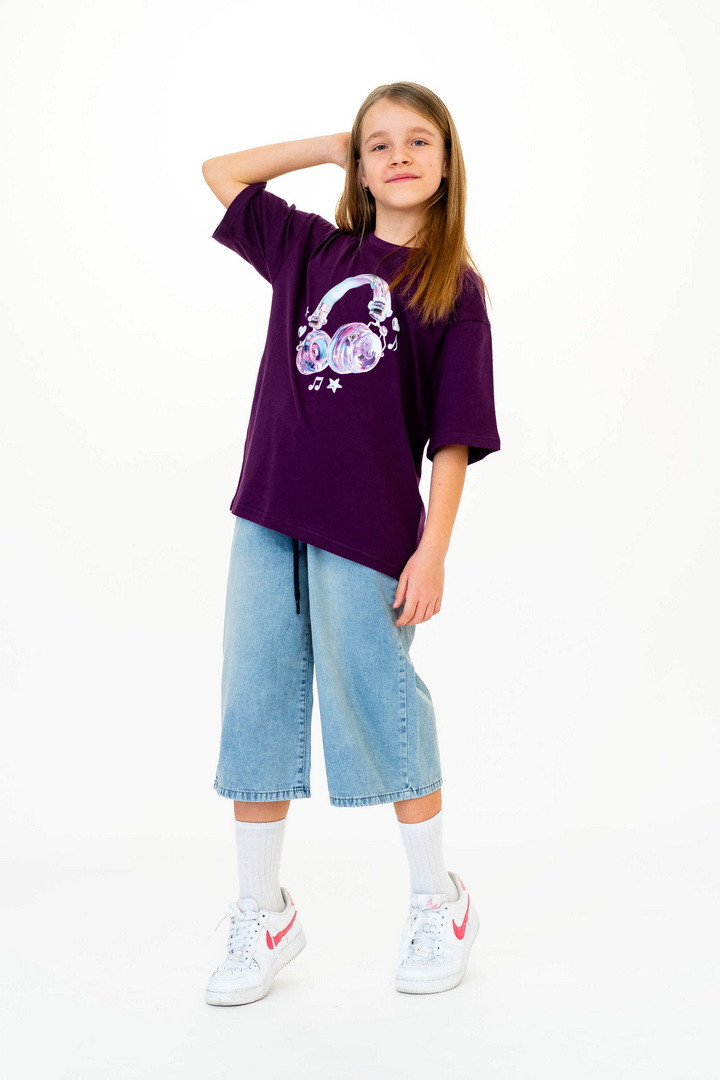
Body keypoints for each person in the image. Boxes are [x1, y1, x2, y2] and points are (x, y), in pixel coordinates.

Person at [201, 81, 501, 1006]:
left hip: (369, 533)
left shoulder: (454, 291)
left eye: (419, 141)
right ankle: (264, 913)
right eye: (380, 144)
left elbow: (452, 441)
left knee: (380, 703)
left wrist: (433, 550)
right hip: (268, 514)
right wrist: (331, 143)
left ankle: (438, 899)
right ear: (360, 168)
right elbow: (221, 174)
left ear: (448, 162)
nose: (399, 155)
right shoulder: (311, 248)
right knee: (255, 697)